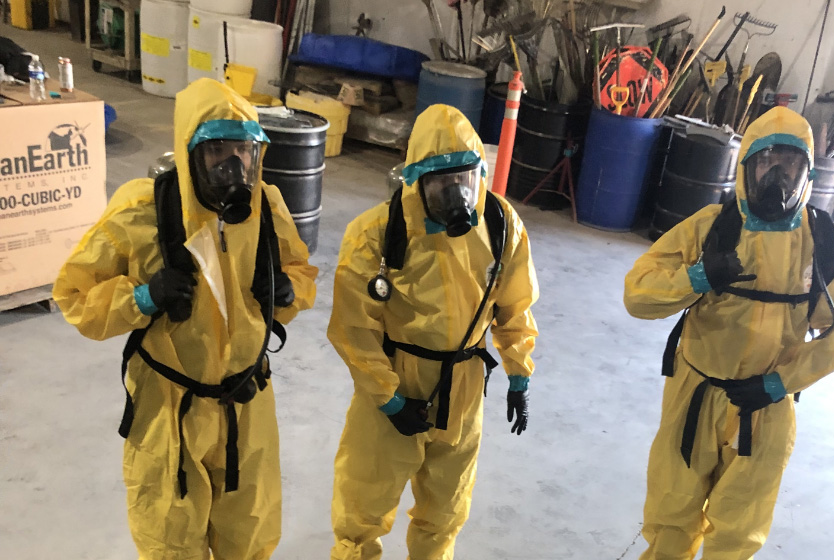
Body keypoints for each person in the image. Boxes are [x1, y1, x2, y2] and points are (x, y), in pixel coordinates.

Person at [53, 78, 318, 559]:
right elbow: (74, 295)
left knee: (251, 532)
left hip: (247, 401)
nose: (234, 166)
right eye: (218, 152)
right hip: (169, 406)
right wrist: (142, 297)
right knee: (170, 539)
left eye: (244, 151)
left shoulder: (267, 208)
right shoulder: (142, 211)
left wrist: (289, 289)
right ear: (190, 151)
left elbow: (300, 270)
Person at [624, 106, 834, 559]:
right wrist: (696, 278)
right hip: (695, 395)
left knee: (738, 532)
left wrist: (781, 382)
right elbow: (637, 295)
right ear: (747, 167)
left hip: (766, 407)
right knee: (671, 516)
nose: (777, 175)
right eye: (766, 162)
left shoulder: (828, 245)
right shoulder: (710, 228)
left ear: (807, 171)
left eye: (791, 164)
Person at [327, 104, 539, 560]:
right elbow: (353, 327)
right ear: (415, 180)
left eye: (463, 177)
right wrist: (387, 396)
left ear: (478, 173)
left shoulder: (501, 227)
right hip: (398, 378)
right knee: (363, 506)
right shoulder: (378, 234)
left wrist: (519, 372)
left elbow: (515, 307)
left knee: (445, 510)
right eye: (439, 181)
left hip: (461, 389)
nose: (454, 191)